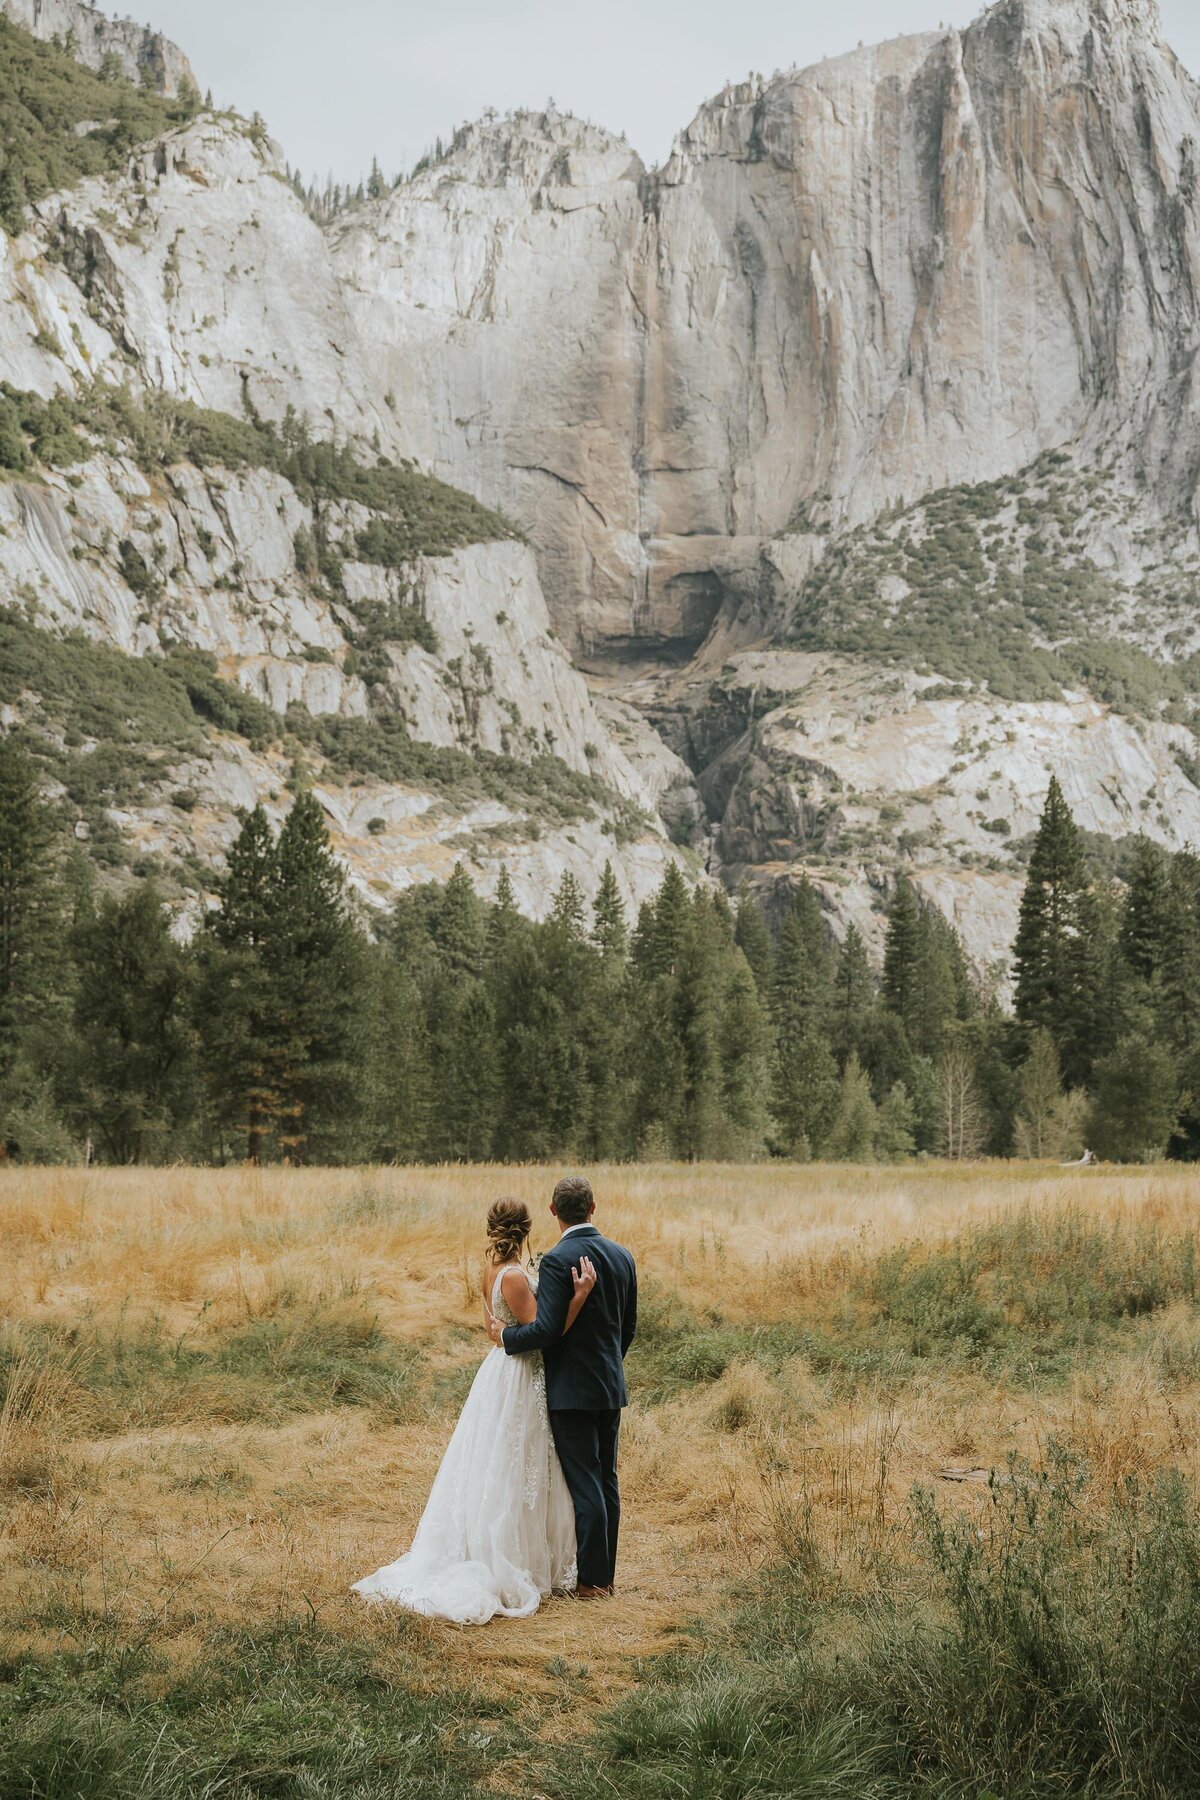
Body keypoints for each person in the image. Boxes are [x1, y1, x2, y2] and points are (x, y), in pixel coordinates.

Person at [351, 1196, 596, 1624]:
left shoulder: (490, 1270)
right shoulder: (516, 1277)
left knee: (501, 1459)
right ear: (526, 1228)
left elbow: (490, 1330)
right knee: (517, 1461)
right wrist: (577, 1299)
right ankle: (511, 1555)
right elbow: (544, 1334)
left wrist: (508, 1333)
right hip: (520, 1374)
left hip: (498, 1370)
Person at [488, 1173, 637, 1598]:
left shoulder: (557, 1259)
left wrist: (505, 1337)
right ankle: (604, 1576)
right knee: (606, 1479)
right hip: (609, 1385)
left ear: (554, 1211)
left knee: (585, 1482)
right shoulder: (623, 1256)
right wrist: (608, 1364)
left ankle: (592, 1582)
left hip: (570, 1389)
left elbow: (546, 1330)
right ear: (593, 1208)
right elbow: (628, 1328)